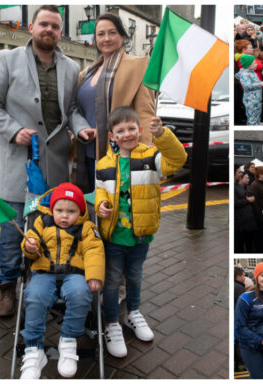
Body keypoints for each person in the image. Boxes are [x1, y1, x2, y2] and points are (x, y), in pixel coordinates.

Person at [0, 5, 92, 318]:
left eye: (55, 27)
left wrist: (82, 130)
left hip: (55, 163)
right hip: (19, 161)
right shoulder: (8, 59)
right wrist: (14, 130)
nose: (50, 31)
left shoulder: (71, 67)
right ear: (32, 27)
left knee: (51, 229)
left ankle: (46, 284)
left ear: (60, 32)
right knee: (12, 229)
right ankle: (6, 287)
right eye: (44, 24)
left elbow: (71, 110)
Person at [95, 107, 186, 357]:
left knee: (135, 275)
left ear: (140, 130)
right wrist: (100, 204)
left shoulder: (151, 156)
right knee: (112, 280)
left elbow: (176, 161)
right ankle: (112, 321)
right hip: (114, 235)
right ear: (112, 136)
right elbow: (100, 189)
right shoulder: (103, 164)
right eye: (120, 131)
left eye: (131, 129)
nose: (127, 134)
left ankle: (133, 312)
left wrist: (163, 135)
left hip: (141, 234)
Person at [17, 182, 104, 378]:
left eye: (71, 211)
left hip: (75, 273)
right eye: (59, 210)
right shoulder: (41, 222)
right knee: (34, 295)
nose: (64, 216)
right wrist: (29, 247)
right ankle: (33, 351)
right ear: (52, 209)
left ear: (80, 211)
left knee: (81, 293)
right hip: (44, 272)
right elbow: (30, 239)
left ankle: (68, 340)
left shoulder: (87, 228)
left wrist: (94, 276)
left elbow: (94, 251)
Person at [74, 12, 156, 192]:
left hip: (119, 155)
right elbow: (77, 110)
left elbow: (145, 113)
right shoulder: (86, 73)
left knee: (115, 214)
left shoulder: (138, 66)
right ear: (95, 39)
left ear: (123, 36)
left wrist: (145, 155)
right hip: (86, 153)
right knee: (92, 211)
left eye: (112, 32)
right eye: (101, 34)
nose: (106, 38)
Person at [235, 54, 263, 126]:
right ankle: (252, 127)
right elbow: (247, 86)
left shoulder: (252, 72)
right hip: (251, 100)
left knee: (257, 114)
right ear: (248, 64)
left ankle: (258, 124)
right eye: (254, 63)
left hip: (256, 99)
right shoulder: (245, 75)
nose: (256, 64)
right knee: (252, 117)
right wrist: (260, 84)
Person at [234, 172, 258, 253]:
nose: (248, 179)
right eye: (246, 178)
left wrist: (253, 199)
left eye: (248, 178)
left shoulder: (248, 187)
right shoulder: (235, 187)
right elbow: (235, 203)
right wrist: (248, 200)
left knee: (250, 243)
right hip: (241, 221)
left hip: (249, 220)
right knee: (240, 243)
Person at [249, 166, 263, 253]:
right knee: (260, 238)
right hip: (260, 217)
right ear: (260, 175)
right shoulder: (255, 185)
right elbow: (255, 203)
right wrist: (261, 217)